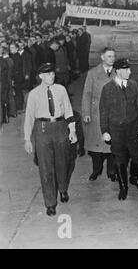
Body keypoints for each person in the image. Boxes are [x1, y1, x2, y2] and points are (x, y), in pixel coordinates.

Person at [23, 63, 77, 216]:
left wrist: (72, 130)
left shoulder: (61, 89)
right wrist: (27, 139)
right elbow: (29, 118)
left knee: (63, 163)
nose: (52, 76)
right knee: (45, 168)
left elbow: (68, 110)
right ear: (41, 76)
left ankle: (62, 188)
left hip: (60, 127)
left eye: (53, 73)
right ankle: (50, 203)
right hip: (42, 129)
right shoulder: (33, 94)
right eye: (48, 74)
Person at [99, 58, 138, 200]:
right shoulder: (107, 88)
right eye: (126, 69)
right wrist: (105, 131)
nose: (129, 72)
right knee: (120, 159)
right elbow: (103, 112)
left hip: (133, 128)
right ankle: (123, 187)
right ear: (118, 71)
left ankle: (134, 178)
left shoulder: (134, 85)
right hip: (116, 130)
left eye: (129, 69)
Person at [81, 47, 117, 182]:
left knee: (112, 144)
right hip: (96, 114)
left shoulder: (118, 72)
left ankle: (111, 171)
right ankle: (96, 170)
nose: (111, 59)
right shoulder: (92, 73)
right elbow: (87, 94)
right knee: (96, 145)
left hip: (113, 114)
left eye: (113, 56)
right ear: (102, 57)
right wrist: (86, 112)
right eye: (109, 56)